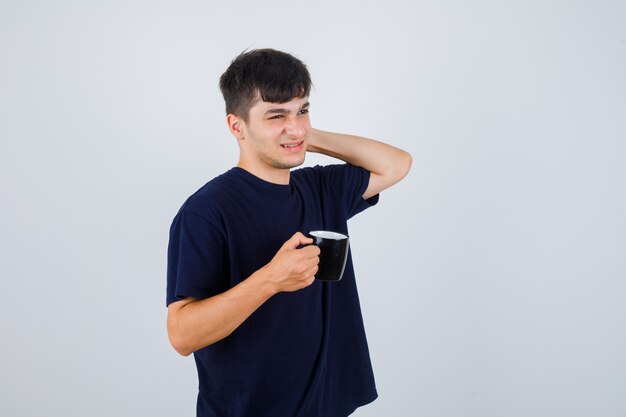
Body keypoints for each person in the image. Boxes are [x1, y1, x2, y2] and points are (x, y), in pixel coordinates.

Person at [166, 48, 412, 417]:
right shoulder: (206, 211)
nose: (293, 124)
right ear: (237, 126)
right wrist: (270, 280)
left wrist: (300, 137)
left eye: (302, 110)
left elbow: (396, 164)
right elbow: (181, 335)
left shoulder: (321, 187)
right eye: (275, 115)